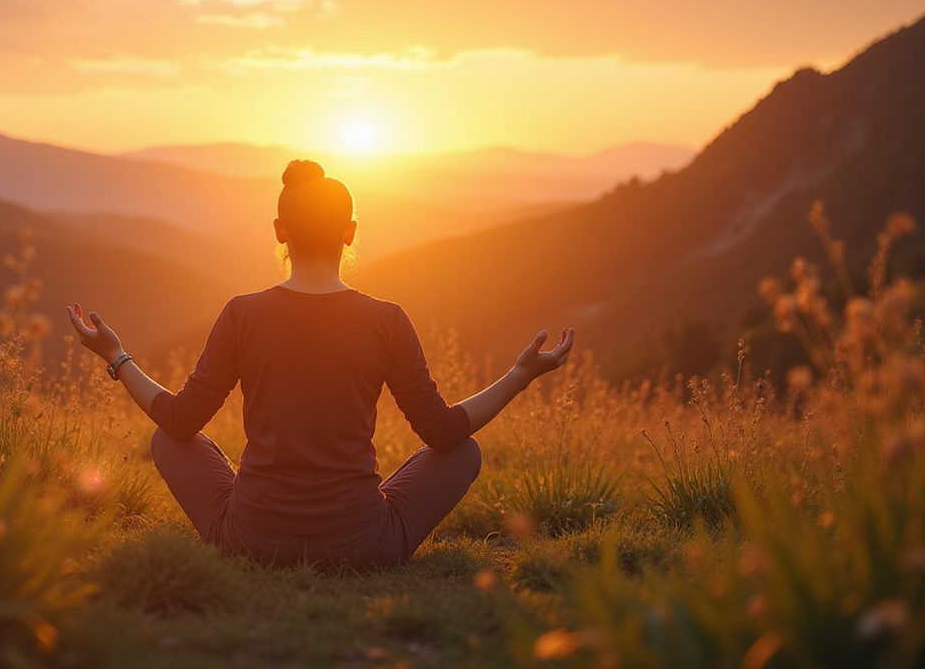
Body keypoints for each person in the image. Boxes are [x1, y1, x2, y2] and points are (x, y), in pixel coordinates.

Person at [67, 159, 573, 567]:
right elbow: (442, 433)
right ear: (350, 232)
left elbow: (179, 421)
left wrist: (117, 356)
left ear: (279, 231)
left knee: (167, 439)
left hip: (249, 540)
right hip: (362, 546)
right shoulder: (387, 320)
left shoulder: (242, 315)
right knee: (465, 453)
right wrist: (519, 375)